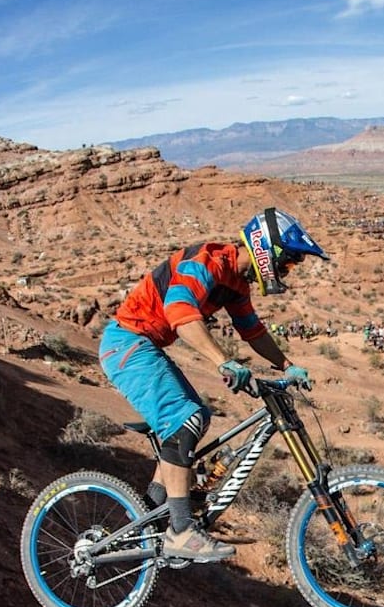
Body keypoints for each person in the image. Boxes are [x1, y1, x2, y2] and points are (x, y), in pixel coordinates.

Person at [99, 207, 329, 562]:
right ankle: (180, 531)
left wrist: (288, 366)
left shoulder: (236, 284)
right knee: (184, 418)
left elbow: (252, 331)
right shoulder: (206, 261)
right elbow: (178, 311)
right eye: (288, 261)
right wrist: (222, 360)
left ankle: (150, 515)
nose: (287, 270)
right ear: (266, 247)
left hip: (142, 345)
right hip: (127, 343)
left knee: (197, 418)